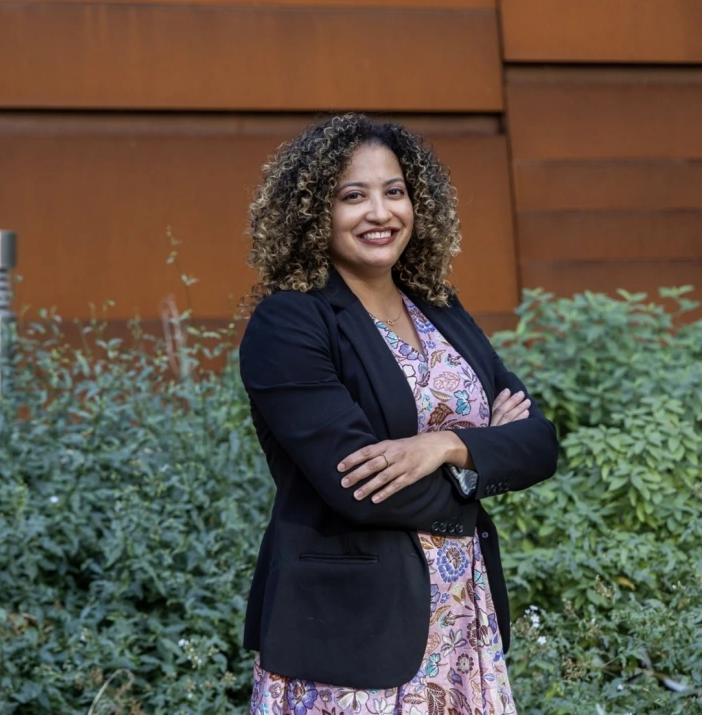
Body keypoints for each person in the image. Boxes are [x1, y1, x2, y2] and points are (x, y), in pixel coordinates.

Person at [239, 113, 559, 715]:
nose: (381, 213)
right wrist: (486, 455)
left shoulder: (439, 306)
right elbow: (360, 487)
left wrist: (446, 448)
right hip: (357, 634)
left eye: (395, 191)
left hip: (462, 615)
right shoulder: (289, 323)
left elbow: (539, 442)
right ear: (314, 212)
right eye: (352, 196)